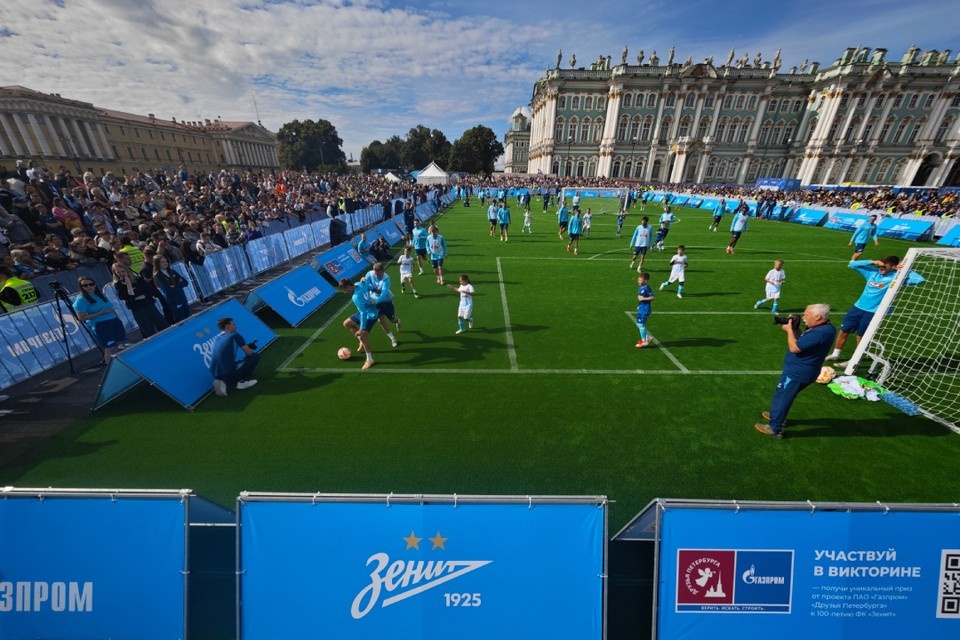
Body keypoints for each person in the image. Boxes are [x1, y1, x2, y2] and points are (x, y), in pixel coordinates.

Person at [755, 304, 837, 439]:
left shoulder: (820, 333)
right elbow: (803, 340)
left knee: (782, 397)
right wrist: (795, 329)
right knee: (786, 395)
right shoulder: (825, 328)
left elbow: (795, 348)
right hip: (805, 370)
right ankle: (778, 416)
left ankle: (775, 427)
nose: (804, 318)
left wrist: (788, 331)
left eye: (806, 315)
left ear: (817, 317)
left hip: (797, 372)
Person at [825, 256, 925, 363]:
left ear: (893, 267)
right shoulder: (872, 273)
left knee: (861, 336)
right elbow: (852, 264)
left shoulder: (897, 278)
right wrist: (872, 262)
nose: (881, 268)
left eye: (884, 266)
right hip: (858, 307)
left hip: (874, 311)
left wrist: (903, 269)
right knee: (844, 330)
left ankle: (854, 361)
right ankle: (835, 354)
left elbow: (920, 280)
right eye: (881, 265)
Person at [72, 276, 126, 364]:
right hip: (101, 325)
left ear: (95, 285)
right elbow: (81, 317)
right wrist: (100, 313)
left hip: (113, 321)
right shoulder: (81, 300)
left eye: (91, 284)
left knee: (118, 344)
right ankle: (110, 366)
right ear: (81, 287)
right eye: (85, 285)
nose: (89, 287)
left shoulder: (99, 294)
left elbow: (111, 308)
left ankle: (122, 363)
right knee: (109, 347)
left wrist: (117, 319)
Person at [112, 260, 169, 339]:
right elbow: (125, 297)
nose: (121, 274)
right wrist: (128, 285)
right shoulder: (118, 284)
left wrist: (141, 296)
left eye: (123, 271)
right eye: (118, 272)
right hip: (138, 309)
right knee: (148, 330)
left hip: (149, 305)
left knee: (162, 324)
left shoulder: (138, 280)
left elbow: (150, 291)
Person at [210, 317, 259, 396]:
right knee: (255, 356)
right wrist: (249, 348)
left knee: (237, 362)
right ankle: (243, 382)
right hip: (229, 374)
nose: (236, 326)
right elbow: (249, 353)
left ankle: (222, 381)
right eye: (233, 324)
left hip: (215, 373)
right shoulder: (235, 335)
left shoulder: (217, 338)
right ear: (227, 327)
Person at [339, 277, 377, 369]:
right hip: (362, 311)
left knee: (363, 335)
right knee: (347, 324)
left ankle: (370, 359)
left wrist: (361, 329)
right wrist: (368, 283)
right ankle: (361, 341)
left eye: (345, 290)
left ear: (348, 287)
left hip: (369, 315)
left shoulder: (356, 297)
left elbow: (364, 314)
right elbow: (367, 284)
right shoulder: (359, 284)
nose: (345, 292)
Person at [367, 261, 400, 348]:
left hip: (386, 301)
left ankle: (398, 321)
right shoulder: (370, 274)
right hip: (375, 300)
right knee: (381, 320)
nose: (376, 276)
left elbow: (384, 293)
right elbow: (365, 285)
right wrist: (363, 281)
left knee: (393, 320)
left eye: (379, 274)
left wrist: (376, 301)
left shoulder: (386, 279)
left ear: (383, 271)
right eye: (375, 274)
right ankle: (393, 338)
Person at [152, 255, 191, 323]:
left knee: (188, 316)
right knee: (181, 320)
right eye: (162, 262)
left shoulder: (171, 271)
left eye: (166, 261)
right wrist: (178, 284)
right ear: (157, 264)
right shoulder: (158, 275)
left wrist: (174, 286)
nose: (165, 263)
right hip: (174, 301)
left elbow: (185, 282)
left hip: (182, 297)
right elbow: (168, 290)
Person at [635, 272, 655, 348]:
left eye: (640, 280)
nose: (639, 281)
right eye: (638, 280)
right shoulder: (641, 287)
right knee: (638, 324)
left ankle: (644, 341)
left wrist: (644, 298)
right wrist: (639, 306)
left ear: (646, 281)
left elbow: (653, 297)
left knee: (640, 324)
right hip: (641, 308)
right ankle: (648, 337)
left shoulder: (647, 288)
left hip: (645, 309)